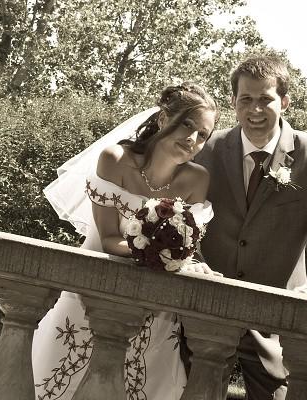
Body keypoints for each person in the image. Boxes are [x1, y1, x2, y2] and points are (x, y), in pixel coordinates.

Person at [32, 82, 220, 400]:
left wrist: (184, 261)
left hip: (156, 306)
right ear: (163, 119)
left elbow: (188, 244)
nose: (192, 139)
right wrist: (160, 256)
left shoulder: (197, 179)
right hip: (94, 290)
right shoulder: (115, 159)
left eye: (202, 134)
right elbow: (108, 238)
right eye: (187, 125)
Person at [194, 55, 307, 399]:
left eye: (265, 99)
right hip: (206, 310)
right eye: (246, 99)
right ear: (233, 101)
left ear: (284, 101)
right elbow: (182, 212)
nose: (255, 109)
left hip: (276, 321)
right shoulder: (206, 148)